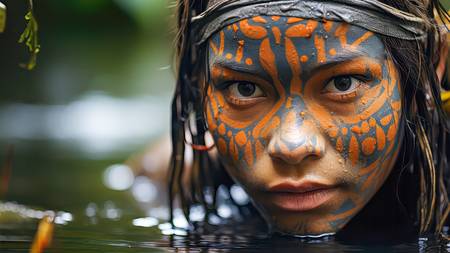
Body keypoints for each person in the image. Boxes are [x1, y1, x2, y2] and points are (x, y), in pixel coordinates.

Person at [165, 0, 449, 238]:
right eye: (245, 89)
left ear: (428, 68)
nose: (293, 146)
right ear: (197, 83)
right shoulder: (182, 178)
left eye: (343, 83)